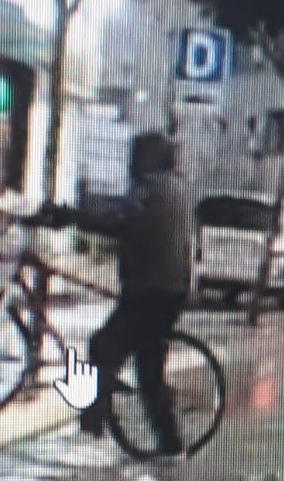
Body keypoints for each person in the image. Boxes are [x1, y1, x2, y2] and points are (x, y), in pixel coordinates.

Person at [37, 130, 194, 457]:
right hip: (168, 290)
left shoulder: (151, 189)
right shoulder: (174, 188)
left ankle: (93, 423)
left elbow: (117, 216)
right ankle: (169, 444)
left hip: (150, 291)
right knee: (147, 368)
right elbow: (121, 213)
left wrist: (72, 216)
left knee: (104, 346)